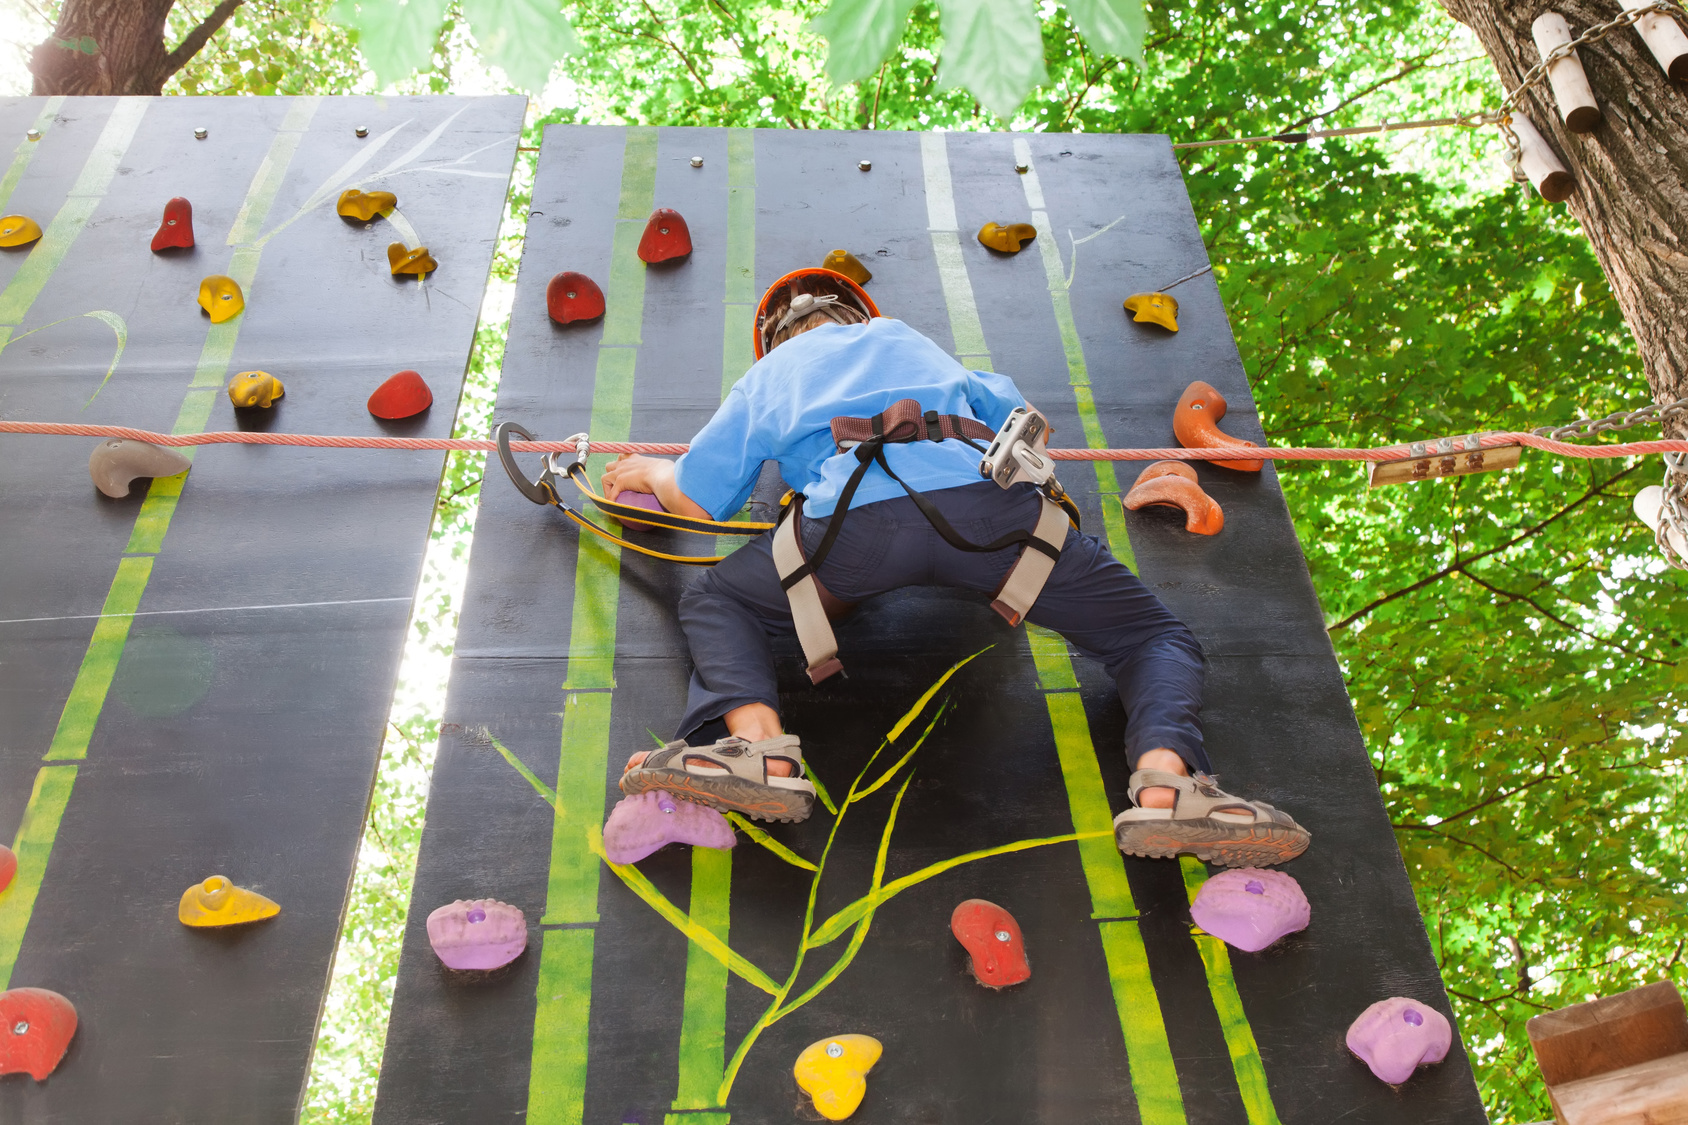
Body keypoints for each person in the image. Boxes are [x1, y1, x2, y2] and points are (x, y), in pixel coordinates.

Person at [601, 268, 1309, 866]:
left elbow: (697, 501)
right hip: (994, 520)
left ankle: (758, 750)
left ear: (775, 337)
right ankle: (1164, 782)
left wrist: (657, 472)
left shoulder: (771, 375)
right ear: (858, 314)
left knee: (720, 600)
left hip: (851, 531)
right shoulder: (913, 342)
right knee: (1154, 638)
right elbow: (1031, 425)